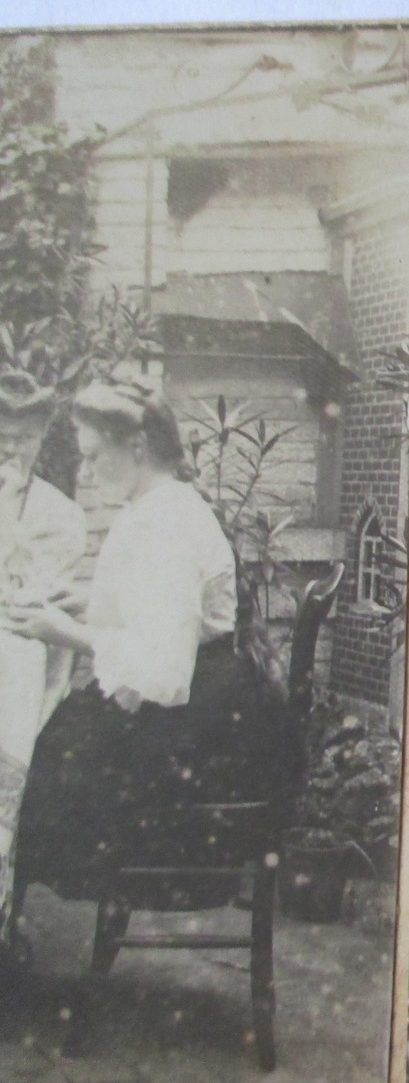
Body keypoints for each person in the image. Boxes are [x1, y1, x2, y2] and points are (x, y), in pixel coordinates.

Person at [9, 371, 286, 924]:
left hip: (192, 732)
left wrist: (62, 631)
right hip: (196, 702)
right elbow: (152, 611)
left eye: (92, 457)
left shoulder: (168, 523)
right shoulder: (158, 505)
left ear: (135, 447)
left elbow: (161, 668)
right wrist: (81, 598)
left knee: (30, 764)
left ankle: (8, 929)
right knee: (31, 738)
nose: (85, 473)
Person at [0, 370, 87, 955]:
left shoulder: (58, 515)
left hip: (24, 654)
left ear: (41, 438)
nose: (11, 451)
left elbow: (30, 600)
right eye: (1, 437)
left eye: (23, 439)